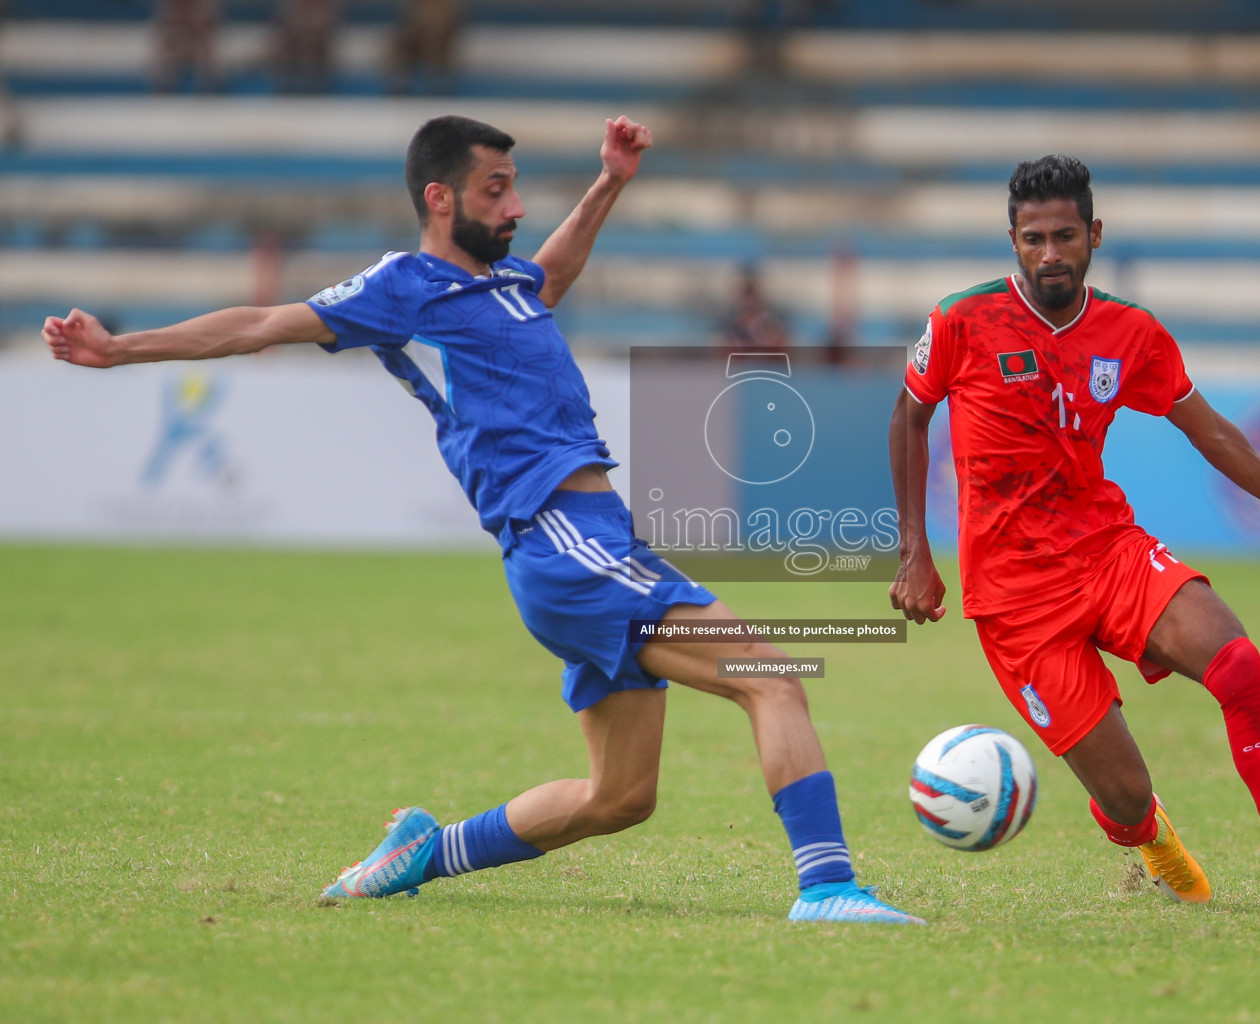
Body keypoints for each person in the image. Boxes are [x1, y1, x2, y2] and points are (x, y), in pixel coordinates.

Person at [42, 114, 922, 926]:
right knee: (770, 678)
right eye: (496, 189)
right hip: (566, 541)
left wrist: (609, 182)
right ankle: (828, 887)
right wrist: (121, 349)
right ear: (440, 198)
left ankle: (425, 853)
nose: (514, 205)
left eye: (514, 188)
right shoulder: (405, 285)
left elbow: (554, 274)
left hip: (579, 547)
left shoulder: (503, 286)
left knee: (619, 798)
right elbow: (265, 322)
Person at [888, 155, 1260, 921]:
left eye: (1066, 236)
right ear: (1012, 240)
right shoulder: (961, 320)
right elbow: (908, 418)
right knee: (1124, 794)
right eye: (1034, 238)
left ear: (1095, 235)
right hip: (1015, 598)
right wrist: (915, 552)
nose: (1051, 253)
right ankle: (1145, 835)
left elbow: (1210, 432)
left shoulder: (1132, 332)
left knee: (1238, 664)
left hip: (1107, 551)